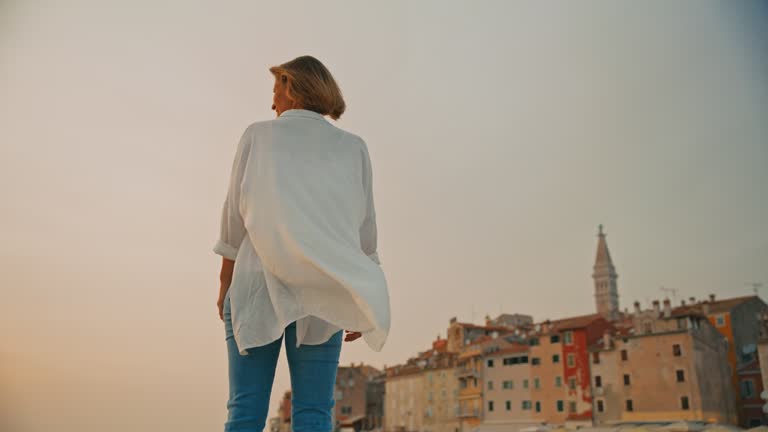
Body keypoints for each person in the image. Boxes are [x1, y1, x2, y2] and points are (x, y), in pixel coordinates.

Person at [213, 55, 390, 432]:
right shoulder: (353, 147)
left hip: (257, 283)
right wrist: (360, 296)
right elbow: (365, 230)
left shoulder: (257, 135)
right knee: (314, 413)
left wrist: (224, 284)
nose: (272, 101)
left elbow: (234, 219)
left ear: (291, 88)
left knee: (245, 410)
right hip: (324, 289)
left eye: (276, 88)